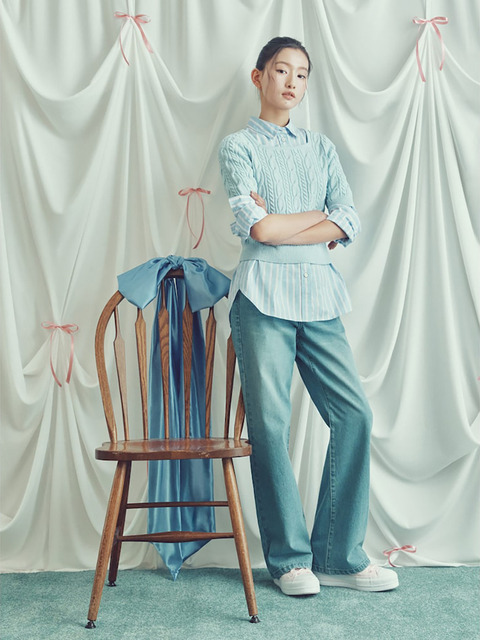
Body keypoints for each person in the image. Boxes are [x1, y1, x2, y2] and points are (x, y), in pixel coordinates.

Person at [218, 36, 398, 597]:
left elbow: (348, 219)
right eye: (281, 70)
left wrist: (285, 224)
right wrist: (315, 220)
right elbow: (257, 228)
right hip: (261, 296)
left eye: (301, 74)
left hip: (320, 296)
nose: (292, 82)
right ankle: (290, 560)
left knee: (354, 415)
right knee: (271, 425)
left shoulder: (321, 148)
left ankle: (338, 557)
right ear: (259, 77)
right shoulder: (237, 147)